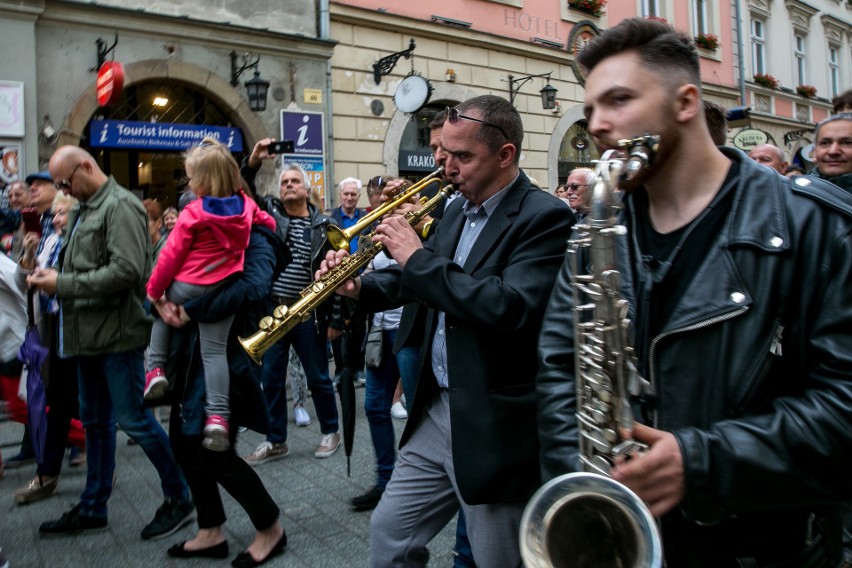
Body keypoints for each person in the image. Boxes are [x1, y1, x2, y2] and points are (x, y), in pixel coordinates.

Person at [536, 18, 852, 567]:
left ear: (685, 102)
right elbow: (560, 367)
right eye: (590, 112)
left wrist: (703, 462)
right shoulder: (594, 230)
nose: (599, 126)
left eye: (619, 100)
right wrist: (593, 488)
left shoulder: (815, 226)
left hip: (763, 547)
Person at [319, 94, 574, 567]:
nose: (447, 168)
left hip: (491, 418)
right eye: (444, 153)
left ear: (505, 156)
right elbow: (415, 280)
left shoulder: (545, 217)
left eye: (462, 157)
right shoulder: (456, 208)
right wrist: (357, 287)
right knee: (390, 533)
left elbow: (508, 305)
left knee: (498, 557)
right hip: (436, 408)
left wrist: (416, 257)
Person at [28, 146, 194, 539]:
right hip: (87, 336)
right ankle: (92, 507)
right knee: (95, 424)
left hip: (117, 335)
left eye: (66, 182)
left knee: (133, 420)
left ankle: (180, 496)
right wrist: (50, 274)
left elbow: (128, 271)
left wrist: (61, 283)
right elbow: (87, 264)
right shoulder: (87, 207)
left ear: (86, 167)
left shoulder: (121, 206)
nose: (64, 190)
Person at [158, 197, 287, 567]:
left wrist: (192, 307)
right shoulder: (196, 225)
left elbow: (255, 286)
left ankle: (270, 528)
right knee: (183, 443)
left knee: (215, 451)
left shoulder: (257, 232)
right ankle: (211, 529)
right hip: (189, 352)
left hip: (229, 355)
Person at [143, 138, 275, 452]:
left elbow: (170, 257)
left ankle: (156, 369)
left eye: (191, 177)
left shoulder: (194, 212)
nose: (189, 183)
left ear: (202, 181)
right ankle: (218, 417)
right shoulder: (245, 205)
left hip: (187, 284)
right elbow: (265, 222)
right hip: (221, 287)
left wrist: (155, 293)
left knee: (162, 312)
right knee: (214, 354)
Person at [241, 160, 341, 464]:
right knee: (271, 378)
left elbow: (336, 274)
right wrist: (253, 163)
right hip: (275, 310)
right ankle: (276, 441)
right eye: (284, 182)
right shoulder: (271, 217)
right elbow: (246, 192)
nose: (288, 185)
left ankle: (331, 431)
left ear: (307, 189)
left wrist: (336, 318)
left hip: (308, 310)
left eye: (294, 181)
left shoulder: (323, 226)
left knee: (318, 376)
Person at [13, 188, 87, 506]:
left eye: (62, 212)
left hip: (77, 330)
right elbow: (24, 283)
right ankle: (48, 473)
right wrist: (29, 256)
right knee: (58, 402)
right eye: (54, 213)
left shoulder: (81, 241)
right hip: (52, 329)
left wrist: (54, 279)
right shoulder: (49, 241)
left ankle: (90, 462)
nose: (55, 219)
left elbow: (81, 282)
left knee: (79, 403)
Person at [809, 112, 852, 193]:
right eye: (825, 143)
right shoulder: (792, 196)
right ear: (814, 151)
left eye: (847, 143)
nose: (833, 151)